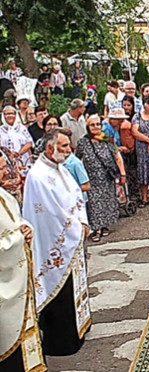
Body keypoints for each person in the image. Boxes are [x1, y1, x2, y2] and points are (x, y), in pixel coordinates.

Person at [23, 128, 91, 357]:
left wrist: (82, 221)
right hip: (56, 242)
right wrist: (76, 227)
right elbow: (50, 214)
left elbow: (76, 197)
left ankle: (77, 331)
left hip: (71, 239)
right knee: (59, 293)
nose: (68, 150)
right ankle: (60, 342)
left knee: (71, 289)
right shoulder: (37, 176)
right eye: (63, 146)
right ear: (50, 148)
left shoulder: (59, 168)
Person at [0, 151, 46, 372]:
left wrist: (26, 229)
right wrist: (19, 237)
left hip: (16, 276)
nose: (3, 173)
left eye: (3, 167)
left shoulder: (4, 195)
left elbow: (16, 222)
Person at [76, 115, 125, 241]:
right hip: (91, 177)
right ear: (88, 126)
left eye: (98, 124)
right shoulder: (83, 142)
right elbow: (77, 159)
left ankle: (104, 226)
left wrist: (122, 173)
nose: (96, 127)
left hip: (107, 176)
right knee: (94, 202)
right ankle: (96, 228)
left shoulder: (107, 139)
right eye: (93, 125)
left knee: (107, 201)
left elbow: (117, 157)